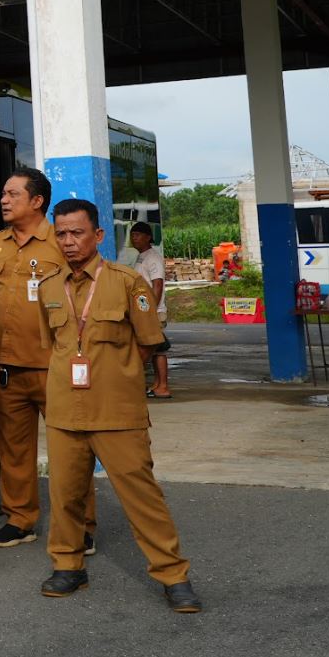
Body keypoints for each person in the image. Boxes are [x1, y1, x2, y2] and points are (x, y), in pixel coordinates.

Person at [40, 199, 201, 613]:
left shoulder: (128, 282)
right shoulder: (49, 287)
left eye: (77, 233)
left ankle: (172, 574)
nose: (69, 241)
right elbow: (53, 346)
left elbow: (148, 344)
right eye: (61, 234)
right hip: (64, 411)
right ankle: (68, 565)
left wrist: (116, 374)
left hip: (116, 412)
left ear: (97, 236)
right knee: (65, 494)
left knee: (140, 494)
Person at [0, 168, 96, 551]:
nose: (4, 200)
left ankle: (82, 525)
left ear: (37, 201)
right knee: (13, 451)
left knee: (71, 451)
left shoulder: (60, 243)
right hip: (9, 368)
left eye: (13, 194)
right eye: (4, 193)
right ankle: (20, 519)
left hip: (55, 367)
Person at [129, 222, 172, 398]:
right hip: (145, 310)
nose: (134, 238)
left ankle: (163, 387)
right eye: (132, 235)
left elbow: (157, 284)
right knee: (154, 349)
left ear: (148, 237)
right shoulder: (142, 257)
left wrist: (151, 311)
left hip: (153, 311)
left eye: (138, 235)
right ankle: (157, 384)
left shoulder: (153, 258)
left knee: (158, 348)